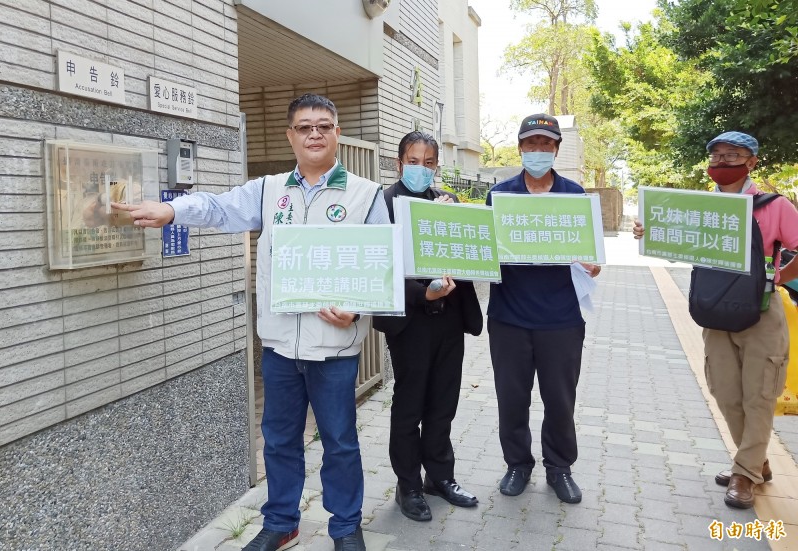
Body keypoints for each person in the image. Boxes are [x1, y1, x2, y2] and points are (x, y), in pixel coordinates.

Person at [113, 94, 388, 551]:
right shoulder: (268, 190)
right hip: (279, 346)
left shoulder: (366, 194)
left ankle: (345, 527)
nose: (314, 134)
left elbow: (381, 265)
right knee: (278, 441)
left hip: (334, 347)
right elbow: (219, 208)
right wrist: (173, 211)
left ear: (337, 134)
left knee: (340, 442)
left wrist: (357, 309)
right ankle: (281, 523)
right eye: (304, 127)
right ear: (290, 136)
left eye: (323, 126)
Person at [634, 131, 798, 509]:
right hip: (715, 309)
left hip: (761, 311)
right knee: (725, 392)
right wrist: (649, 232)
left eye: (733, 155)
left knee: (759, 395)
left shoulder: (774, 206)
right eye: (717, 156)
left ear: (752, 162)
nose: (722, 162)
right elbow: (673, 243)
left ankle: (745, 473)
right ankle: (756, 462)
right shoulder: (700, 208)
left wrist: (777, 278)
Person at [485, 114, 601, 504]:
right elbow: (486, 249)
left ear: (556, 149)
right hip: (509, 317)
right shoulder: (500, 196)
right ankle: (517, 464)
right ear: (520, 148)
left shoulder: (574, 196)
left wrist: (592, 265)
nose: (538, 151)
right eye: (531, 144)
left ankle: (559, 467)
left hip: (561, 318)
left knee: (560, 400)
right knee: (511, 398)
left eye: (546, 144)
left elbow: (590, 255)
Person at [372, 131, 483, 522]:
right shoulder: (383, 204)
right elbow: (379, 266)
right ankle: (409, 486)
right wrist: (424, 294)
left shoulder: (447, 202)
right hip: (411, 322)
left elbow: (470, 255)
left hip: (450, 318)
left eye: (429, 163)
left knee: (443, 402)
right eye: (414, 161)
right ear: (399, 163)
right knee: (410, 405)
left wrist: (456, 221)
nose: (422, 168)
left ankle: (440, 477)